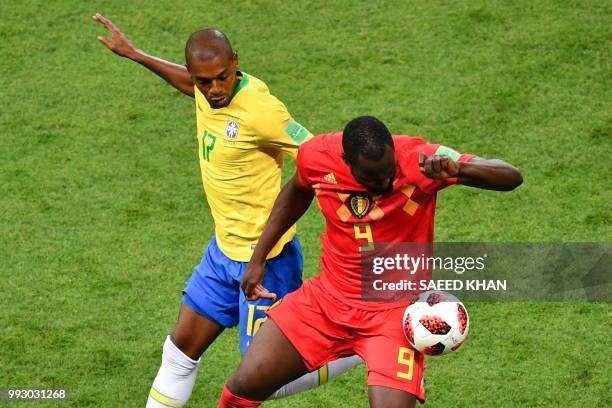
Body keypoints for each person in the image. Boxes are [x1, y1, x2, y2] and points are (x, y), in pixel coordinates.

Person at [92, 13, 362, 407]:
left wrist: (366, 181)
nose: (215, 89)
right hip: (222, 255)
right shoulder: (203, 88)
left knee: (269, 380)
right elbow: (190, 85)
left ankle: (362, 344)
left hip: (267, 261)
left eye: (222, 77)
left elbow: (315, 151)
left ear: (235, 61)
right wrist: (134, 54)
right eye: (205, 81)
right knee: (179, 351)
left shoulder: (261, 110)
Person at [219, 116, 523, 407]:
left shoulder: (419, 159)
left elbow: (510, 176)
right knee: (243, 385)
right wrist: (258, 257)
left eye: (389, 172)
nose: (384, 183)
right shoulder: (317, 156)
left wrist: (459, 170)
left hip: (394, 314)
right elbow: (298, 190)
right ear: (346, 162)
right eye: (371, 178)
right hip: (326, 301)